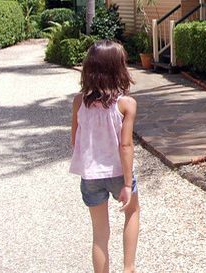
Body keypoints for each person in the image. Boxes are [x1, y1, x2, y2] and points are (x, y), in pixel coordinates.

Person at [70, 40, 139, 273]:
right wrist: (127, 184)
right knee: (132, 212)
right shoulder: (126, 104)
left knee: (99, 234)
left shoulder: (79, 102)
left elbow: (75, 141)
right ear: (119, 69)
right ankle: (128, 268)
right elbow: (126, 145)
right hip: (119, 173)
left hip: (90, 175)